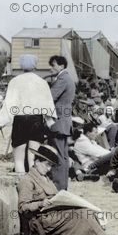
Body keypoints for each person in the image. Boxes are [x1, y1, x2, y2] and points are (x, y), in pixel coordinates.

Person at [17, 144, 118, 235]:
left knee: (86, 212)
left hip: (53, 215)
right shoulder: (27, 180)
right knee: (83, 215)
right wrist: (40, 203)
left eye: (50, 166)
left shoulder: (45, 178)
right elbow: (22, 207)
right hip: (41, 220)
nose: (49, 169)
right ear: (37, 162)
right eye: (47, 165)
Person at [0, 54, 55, 173]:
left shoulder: (14, 81)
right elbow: (48, 104)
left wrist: (4, 120)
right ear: (35, 65)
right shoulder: (41, 82)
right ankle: (33, 183)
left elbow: (9, 103)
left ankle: (21, 184)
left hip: (20, 119)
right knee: (32, 158)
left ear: (21, 65)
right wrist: (50, 121)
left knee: (19, 160)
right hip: (36, 120)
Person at [48, 55, 75, 191]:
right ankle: (63, 187)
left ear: (61, 66)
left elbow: (50, 97)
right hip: (64, 122)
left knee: (57, 156)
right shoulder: (68, 78)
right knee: (63, 156)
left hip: (58, 122)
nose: (51, 68)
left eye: (53, 65)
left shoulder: (62, 79)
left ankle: (57, 187)